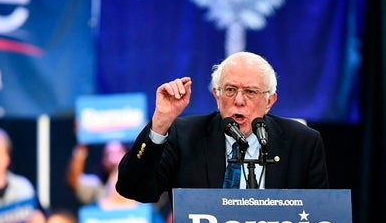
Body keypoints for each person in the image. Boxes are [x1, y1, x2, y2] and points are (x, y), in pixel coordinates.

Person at [117, 51, 330, 202]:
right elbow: (134, 189)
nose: (239, 100)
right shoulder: (184, 135)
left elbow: (320, 217)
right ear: (216, 96)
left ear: (270, 101)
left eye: (250, 92)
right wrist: (161, 122)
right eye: (230, 90)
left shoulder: (302, 142)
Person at [67, 140, 127, 204]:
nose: (113, 158)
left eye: (118, 152)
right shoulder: (97, 186)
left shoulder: (137, 182)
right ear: (103, 160)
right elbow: (74, 182)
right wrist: (82, 145)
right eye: (108, 154)